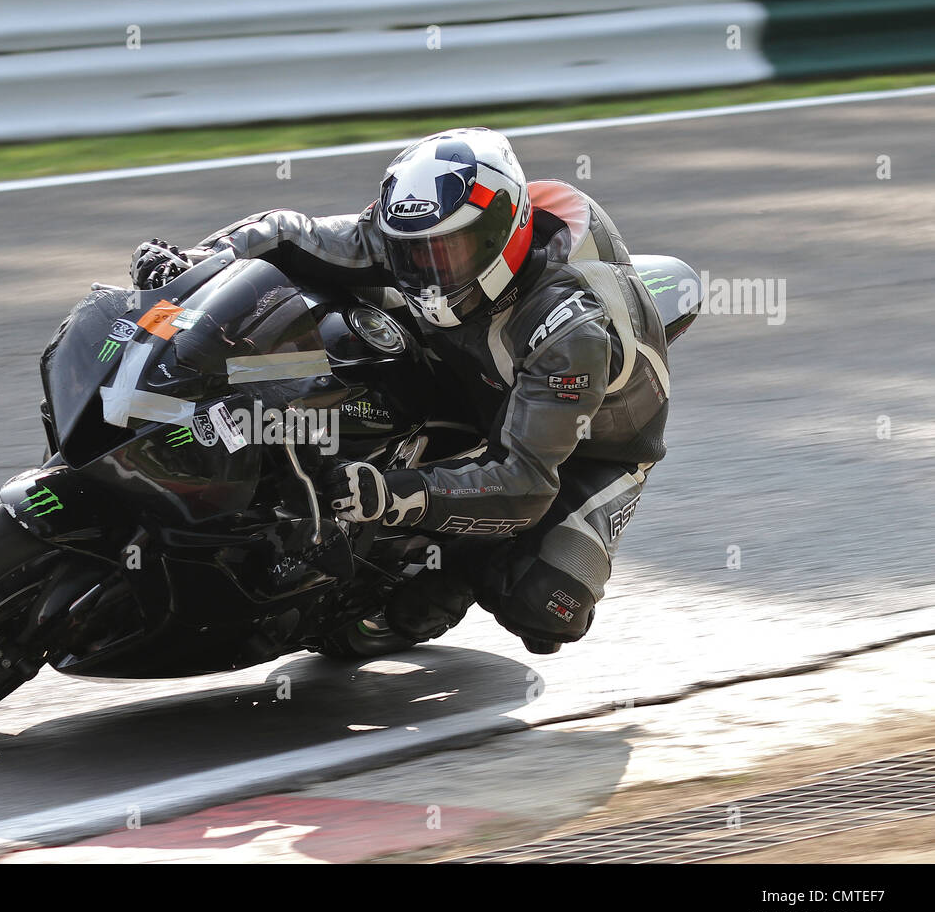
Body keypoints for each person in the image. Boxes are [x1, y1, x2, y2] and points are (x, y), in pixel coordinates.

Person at [129, 127, 670, 655]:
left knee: (545, 608)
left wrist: (395, 495)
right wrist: (198, 263)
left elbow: (526, 481)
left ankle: (455, 565)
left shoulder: (568, 330)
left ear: (503, 234)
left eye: (449, 254)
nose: (427, 272)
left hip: (584, 446)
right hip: (469, 372)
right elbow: (289, 234)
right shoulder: (412, 236)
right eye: (413, 254)